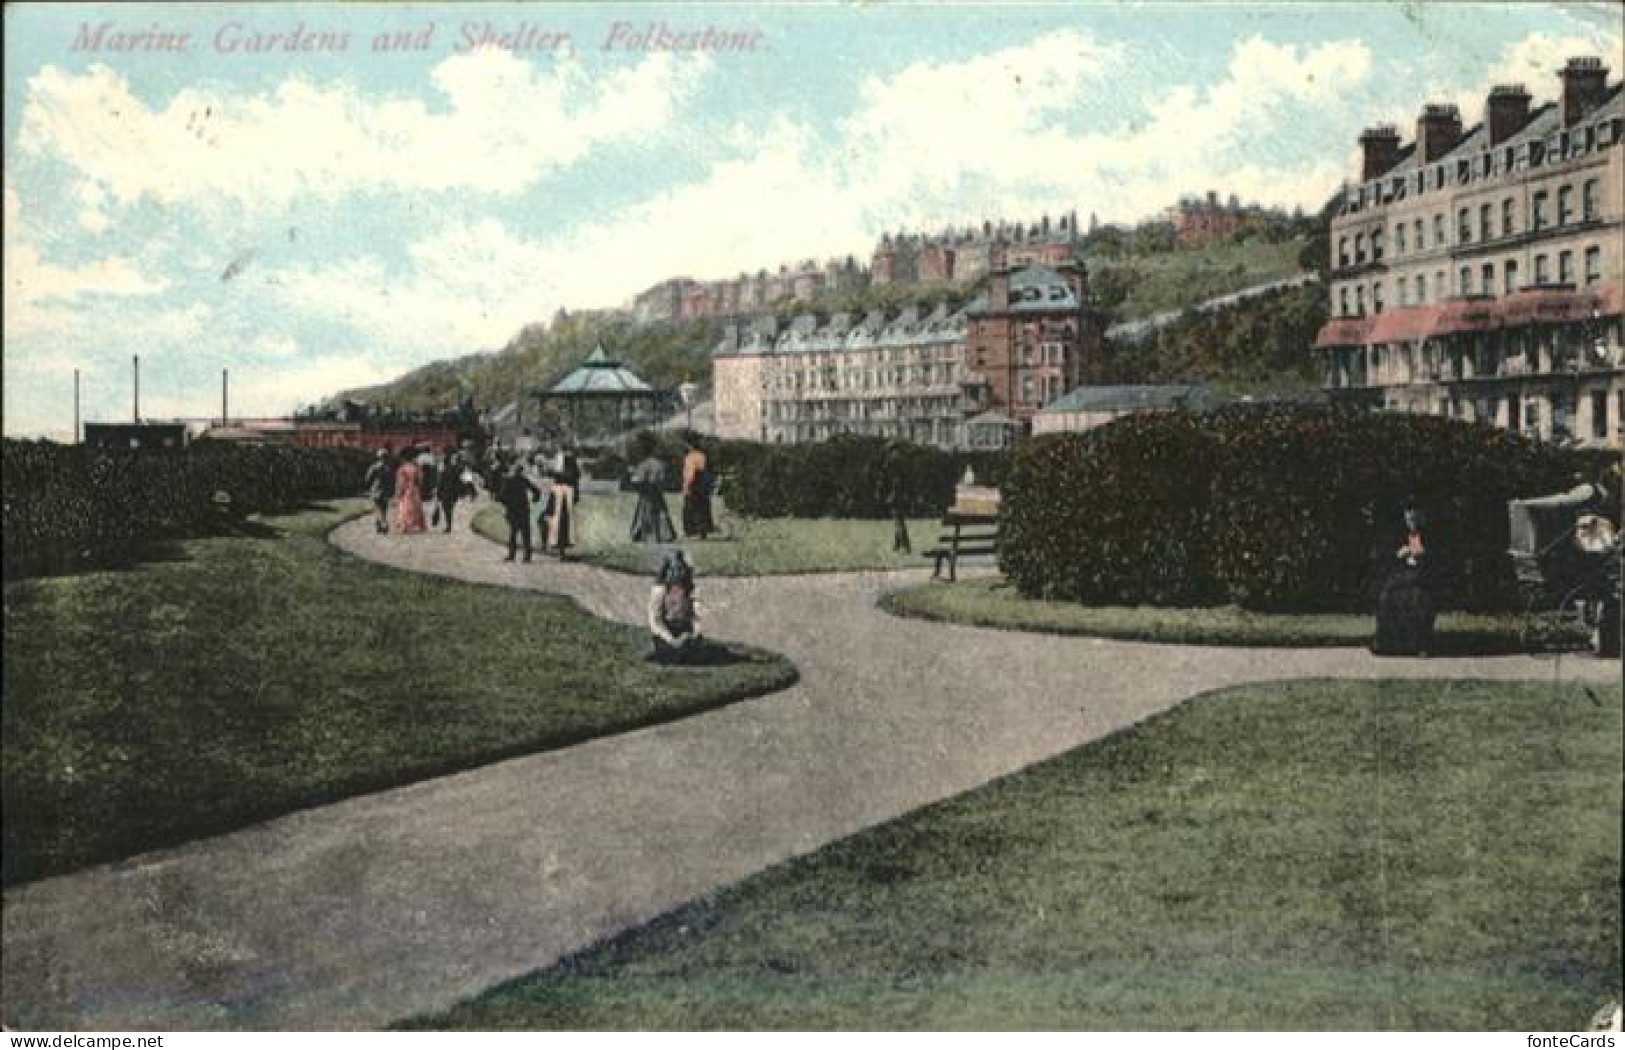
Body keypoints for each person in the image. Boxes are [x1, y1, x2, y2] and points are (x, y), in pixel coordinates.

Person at [1372, 502, 1436, 656]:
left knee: (1419, 599)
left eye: (1415, 518)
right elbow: (1387, 557)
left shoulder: (1430, 536)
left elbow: (1436, 558)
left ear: (1421, 518)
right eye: (1409, 519)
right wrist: (1399, 553)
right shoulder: (1398, 536)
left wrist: (1423, 553)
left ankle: (1420, 644)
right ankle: (1388, 644)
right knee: (1387, 596)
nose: (1411, 522)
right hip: (1401, 577)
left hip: (1423, 577)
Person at [648, 550, 701, 662]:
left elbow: (696, 616)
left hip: (685, 632)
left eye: (682, 570)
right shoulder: (659, 591)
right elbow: (656, 620)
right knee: (669, 655)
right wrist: (671, 639)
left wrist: (693, 634)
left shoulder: (690, 591)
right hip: (666, 634)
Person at [628, 437, 677, 543]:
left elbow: (637, 480)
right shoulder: (660, 464)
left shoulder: (644, 464)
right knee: (661, 513)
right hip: (657, 491)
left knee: (645, 513)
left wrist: (632, 475)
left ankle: (647, 535)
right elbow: (663, 479)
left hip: (647, 491)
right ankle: (664, 535)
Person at [497, 461, 542, 562]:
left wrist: (508, 503)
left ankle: (512, 555)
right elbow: (537, 491)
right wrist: (535, 499)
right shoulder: (523, 480)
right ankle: (527, 556)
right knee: (525, 533)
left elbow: (500, 497)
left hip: (513, 510)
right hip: (523, 509)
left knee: (513, 533)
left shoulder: (509, 481)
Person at [681, 438, 715, 540]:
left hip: (694, 483)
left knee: (689, 509)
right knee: (703, 508)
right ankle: (703, 531)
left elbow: (691, 472)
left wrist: (686, 486)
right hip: (703, 483)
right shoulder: (703, 456)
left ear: (691, 446)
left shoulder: (690, 457)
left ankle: (689, 532)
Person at [434, 448, 469, 532]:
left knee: (447, 507)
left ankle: (449, 525)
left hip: (450, 489)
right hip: (448, 488)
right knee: (447, 507)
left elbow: (465, 478)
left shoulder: (458, 466)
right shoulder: (448, 465)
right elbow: (441, 478)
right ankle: (448, 524)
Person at [394, 446, 427, 534]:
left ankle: (405, 525)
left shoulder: (402, 468)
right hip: (415, 489)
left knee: (405, 507)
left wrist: (398, 493)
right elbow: (420, 480)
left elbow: (401, 482)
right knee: (416, 507)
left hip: (406, 490)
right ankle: (417, 525)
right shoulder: (417, 467)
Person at [364, 448, 396, 534]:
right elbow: (392, 481)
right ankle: (381, 524)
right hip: (386, 491)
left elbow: (367, 478)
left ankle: (381, 524)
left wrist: (368, 487)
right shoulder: (389, 469)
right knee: (384, 509)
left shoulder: (374, 467)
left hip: (376, 490)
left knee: (377, 508)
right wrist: (392, 491)